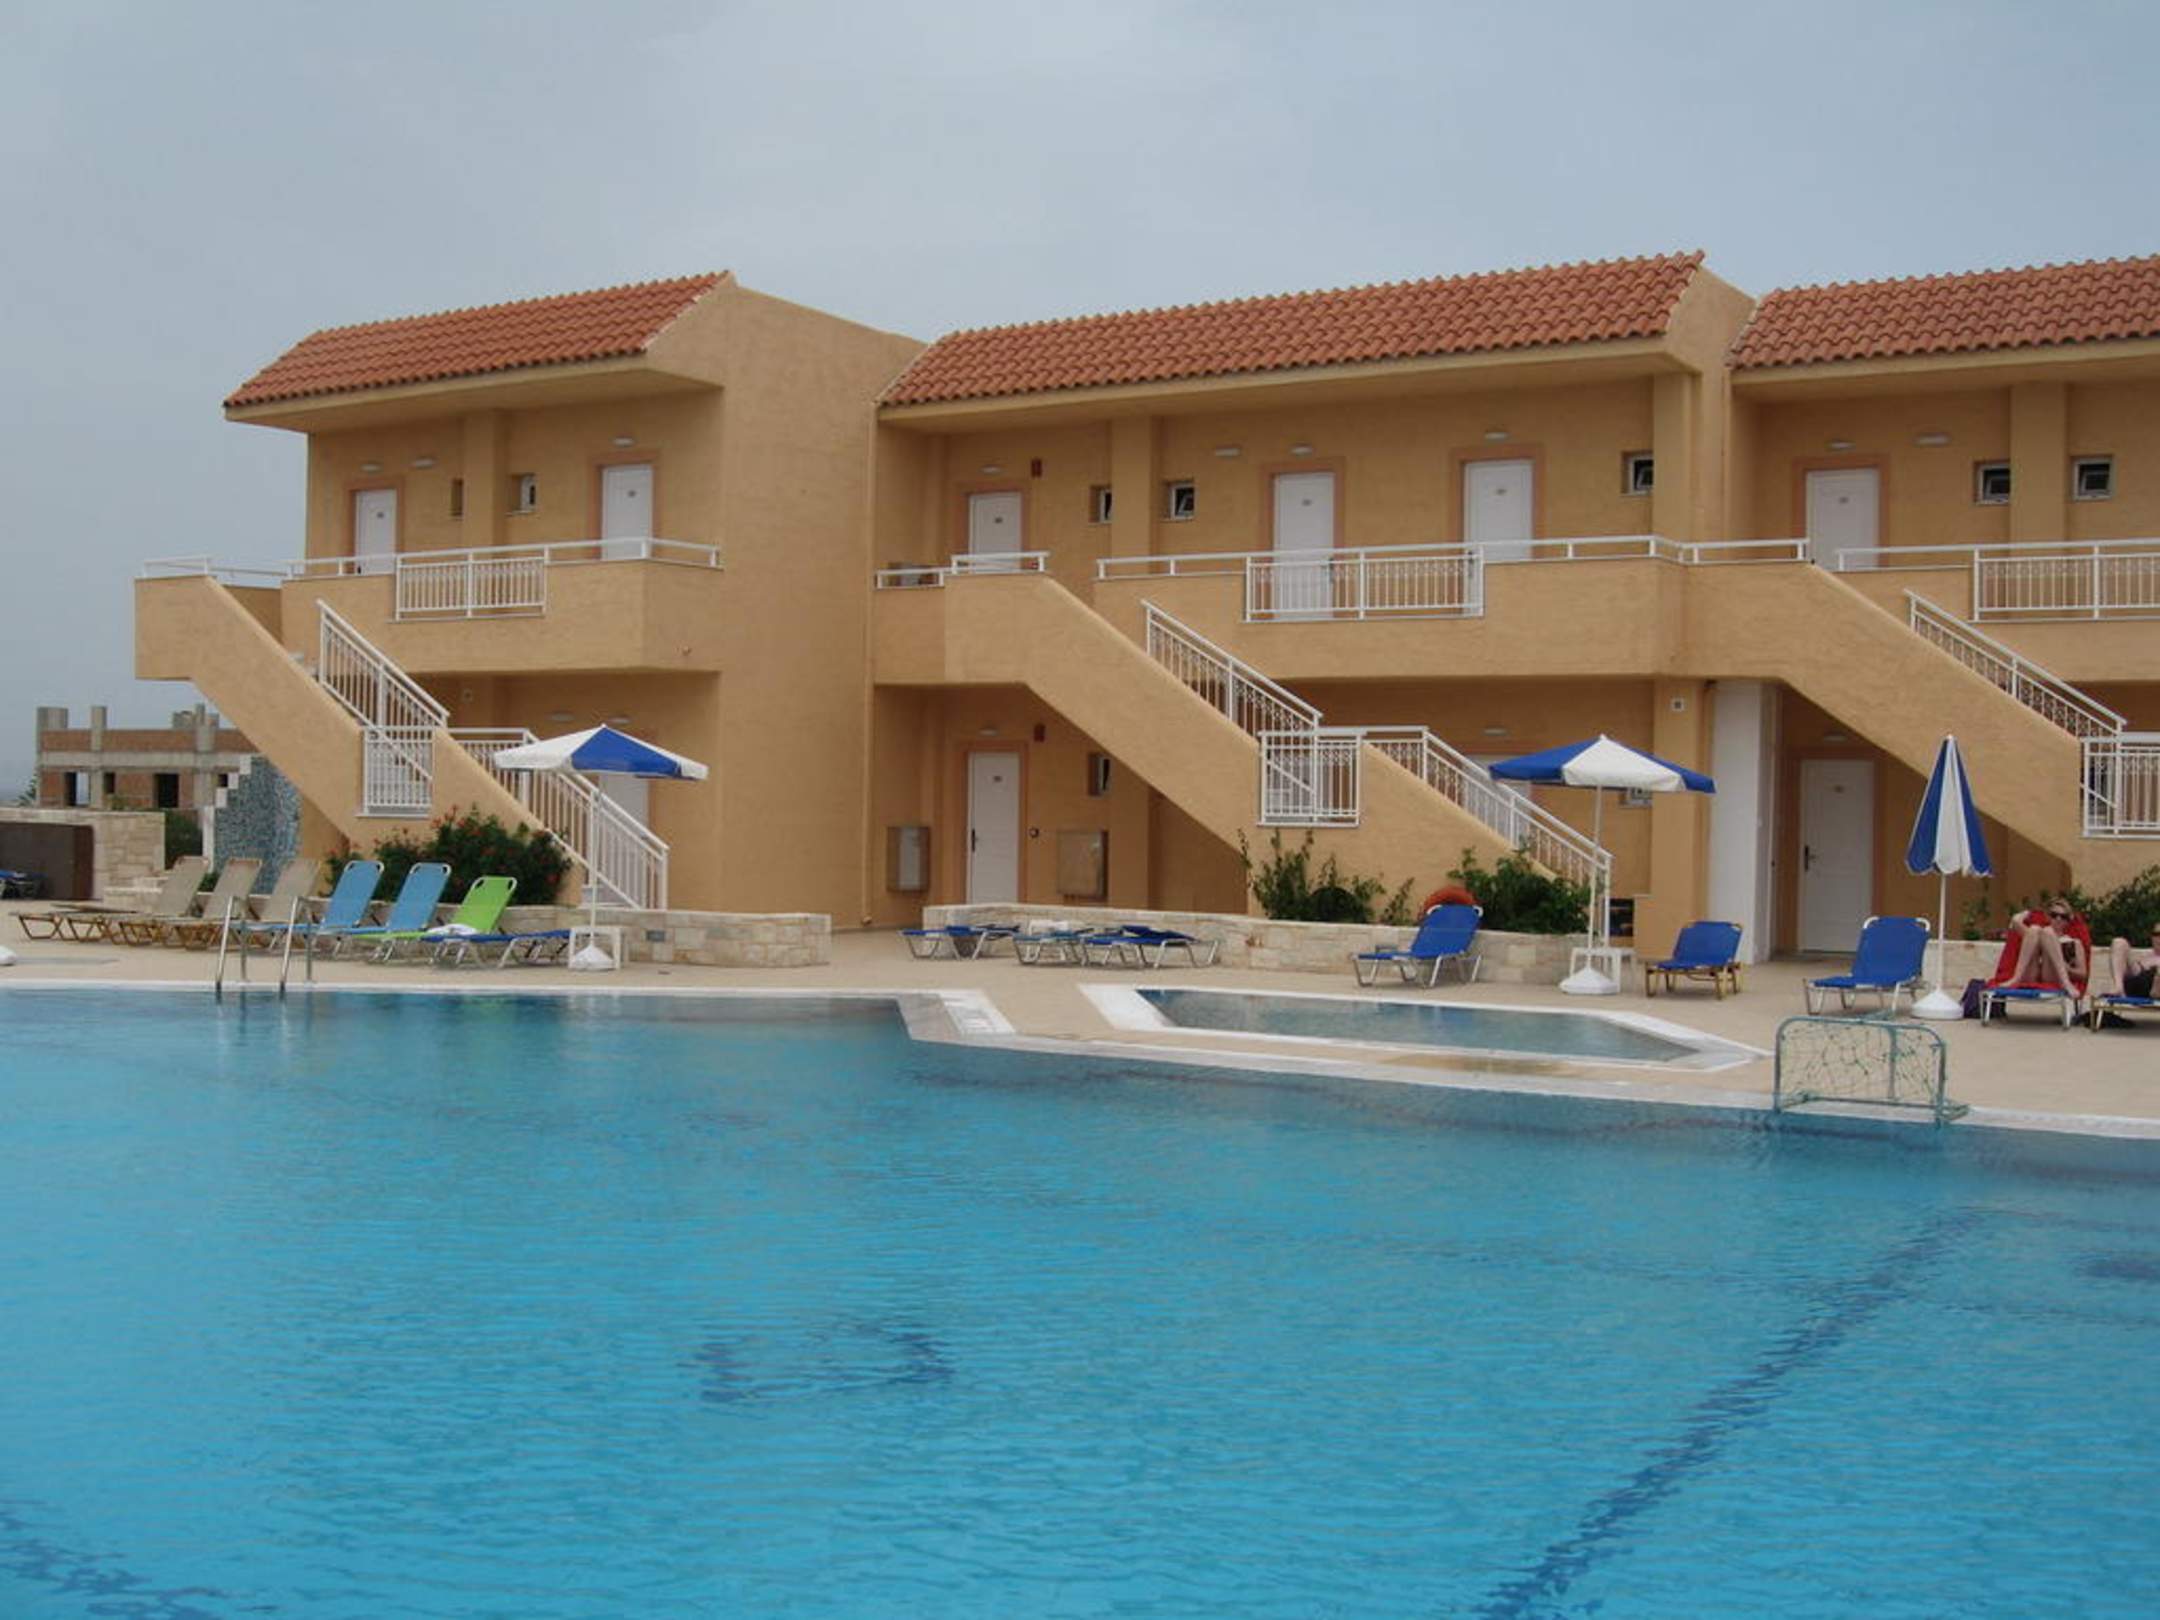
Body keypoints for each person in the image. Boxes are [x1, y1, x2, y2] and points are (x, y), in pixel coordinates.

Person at [1988, 900, 2091, 995]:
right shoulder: (2037, 934)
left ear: (2068, 921)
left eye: (2063, 917)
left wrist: (2067, 968)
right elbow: (2016, 921)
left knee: (2048, 932)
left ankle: (2065, 982)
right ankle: (2016, 978)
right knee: (2035, 929)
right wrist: (2028, 913)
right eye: (2054, 915)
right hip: (2033, 973)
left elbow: (2083, 974)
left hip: (2052, 975)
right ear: (2048, 917)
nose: (2058, 919)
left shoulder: (2074, 942)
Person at [2107, 922, 2160, 1001]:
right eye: (2156, 934)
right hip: (2138, 979)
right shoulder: (2145, 956)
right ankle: (2119, 988)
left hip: (2154, 990)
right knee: (2119, 942)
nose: (2158, 938)